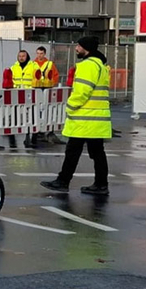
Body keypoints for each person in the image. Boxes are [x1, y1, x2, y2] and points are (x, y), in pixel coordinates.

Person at [41, 36, 111, 196]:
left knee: (73, 151)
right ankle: (101, 184)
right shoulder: (100, 65)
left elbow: (82, 91)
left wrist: (70, 106)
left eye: (79, 46)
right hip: (96, 119)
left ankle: (63, 181)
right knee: (97, 153)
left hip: (84, 118)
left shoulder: (87, 65)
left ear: (86, 48)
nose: (76, 49)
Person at [32, 46, 62, 145]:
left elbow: (55, 75)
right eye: (38, 53)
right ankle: (39, 130)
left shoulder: (49, 64)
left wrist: (52, 84)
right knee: (38, 109)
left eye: (41, 53)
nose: (39, 55)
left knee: (46, 108)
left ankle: (44, 129)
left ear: (44, 54)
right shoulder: (33, 63)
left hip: (47, 88)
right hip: (36, 88)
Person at [8, 49, 37, 149]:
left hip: (30, 95)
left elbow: (38, 78)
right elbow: (10, 80)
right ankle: (11, 138)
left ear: (27, 56)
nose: (21, 58)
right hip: (16, 94)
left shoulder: (34, 66)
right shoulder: (13, 67)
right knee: (14, 116)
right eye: (19, 56)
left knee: (31, 117)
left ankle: (30, 138)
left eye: (23, 56)